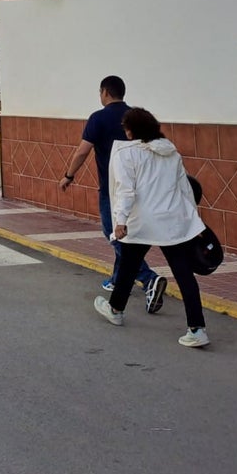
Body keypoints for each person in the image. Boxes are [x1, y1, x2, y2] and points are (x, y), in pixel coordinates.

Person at [93, 107, 210, 347]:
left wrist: (121, 221)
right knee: (184, 274)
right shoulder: (172, 153)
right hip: (171, 220)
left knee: (128, 265)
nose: (125, 132)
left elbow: (125, 190)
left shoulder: (127, 154)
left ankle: (115, 310)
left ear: (132, 130)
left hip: (142, 221)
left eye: (127, 128)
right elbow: (185, 189)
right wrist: (193, 222)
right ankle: (197, 329)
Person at [58, 75, 166, 311]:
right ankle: (117, 279)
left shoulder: (98, 118)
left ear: (105, 92)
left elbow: (82, 151)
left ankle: (148, 278)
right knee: (125, 235)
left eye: (100, 92)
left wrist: (69, 175)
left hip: (113, 188)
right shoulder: (136, 116)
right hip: (141, 187)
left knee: (113, 232)